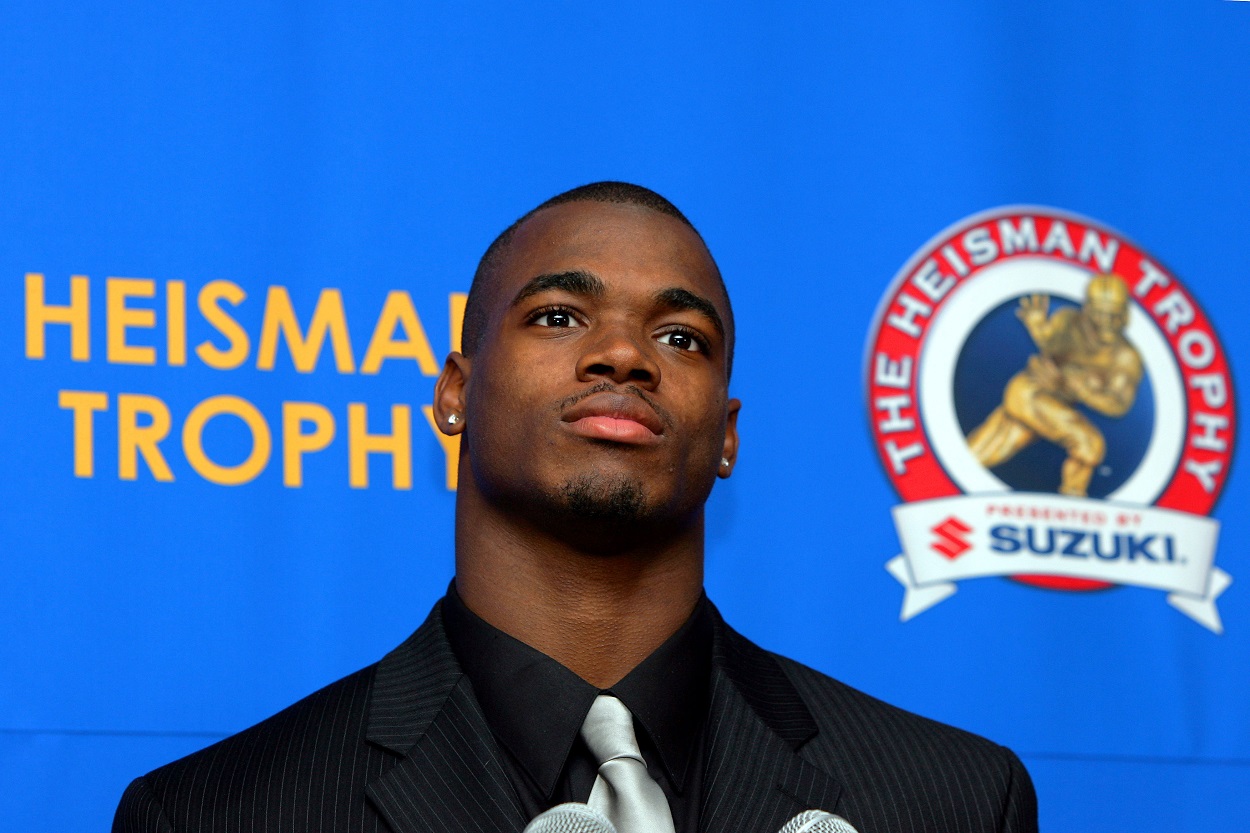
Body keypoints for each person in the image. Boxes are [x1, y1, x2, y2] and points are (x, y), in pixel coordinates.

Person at [114, 182, 1038, 833]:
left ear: (727, 435)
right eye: (559, 315)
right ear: (454, 394)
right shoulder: (216, 812)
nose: (625, 357)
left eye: (682, 336)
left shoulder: (952, 799)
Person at [967, 274, 1143, 496]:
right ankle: (1073, 497)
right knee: (1089, 443)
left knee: (987, 448)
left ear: (1125, 315)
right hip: (1030, 391)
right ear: (1088, 310)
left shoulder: (1126, 357)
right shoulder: (1069, 321)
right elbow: (1050, 343)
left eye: (1115, 315)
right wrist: (1037, 325)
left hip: (1054, 402)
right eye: (1101, 313)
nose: (1107, 322)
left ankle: (948, 474)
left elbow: (1117, 405)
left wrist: (1075, 387)